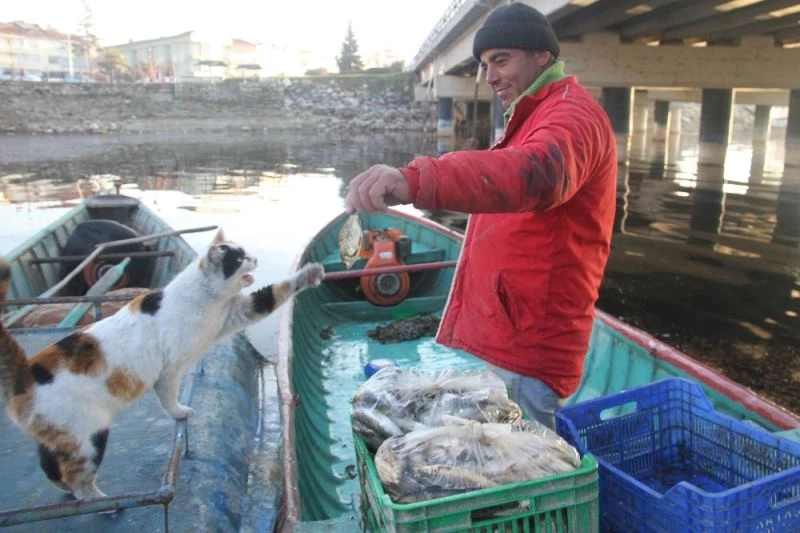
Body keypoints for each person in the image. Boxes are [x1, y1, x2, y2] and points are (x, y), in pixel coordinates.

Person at [345, 2, 617, 430]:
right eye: (485, 64)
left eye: (501, 60)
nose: (490, 77)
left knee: (526, 471)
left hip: (533, 344)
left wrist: (415, 181)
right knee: (499, 453)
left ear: (542, 55)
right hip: (511, 331)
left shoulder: (572, 116)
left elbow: (535, 175)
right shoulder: (534, 113)